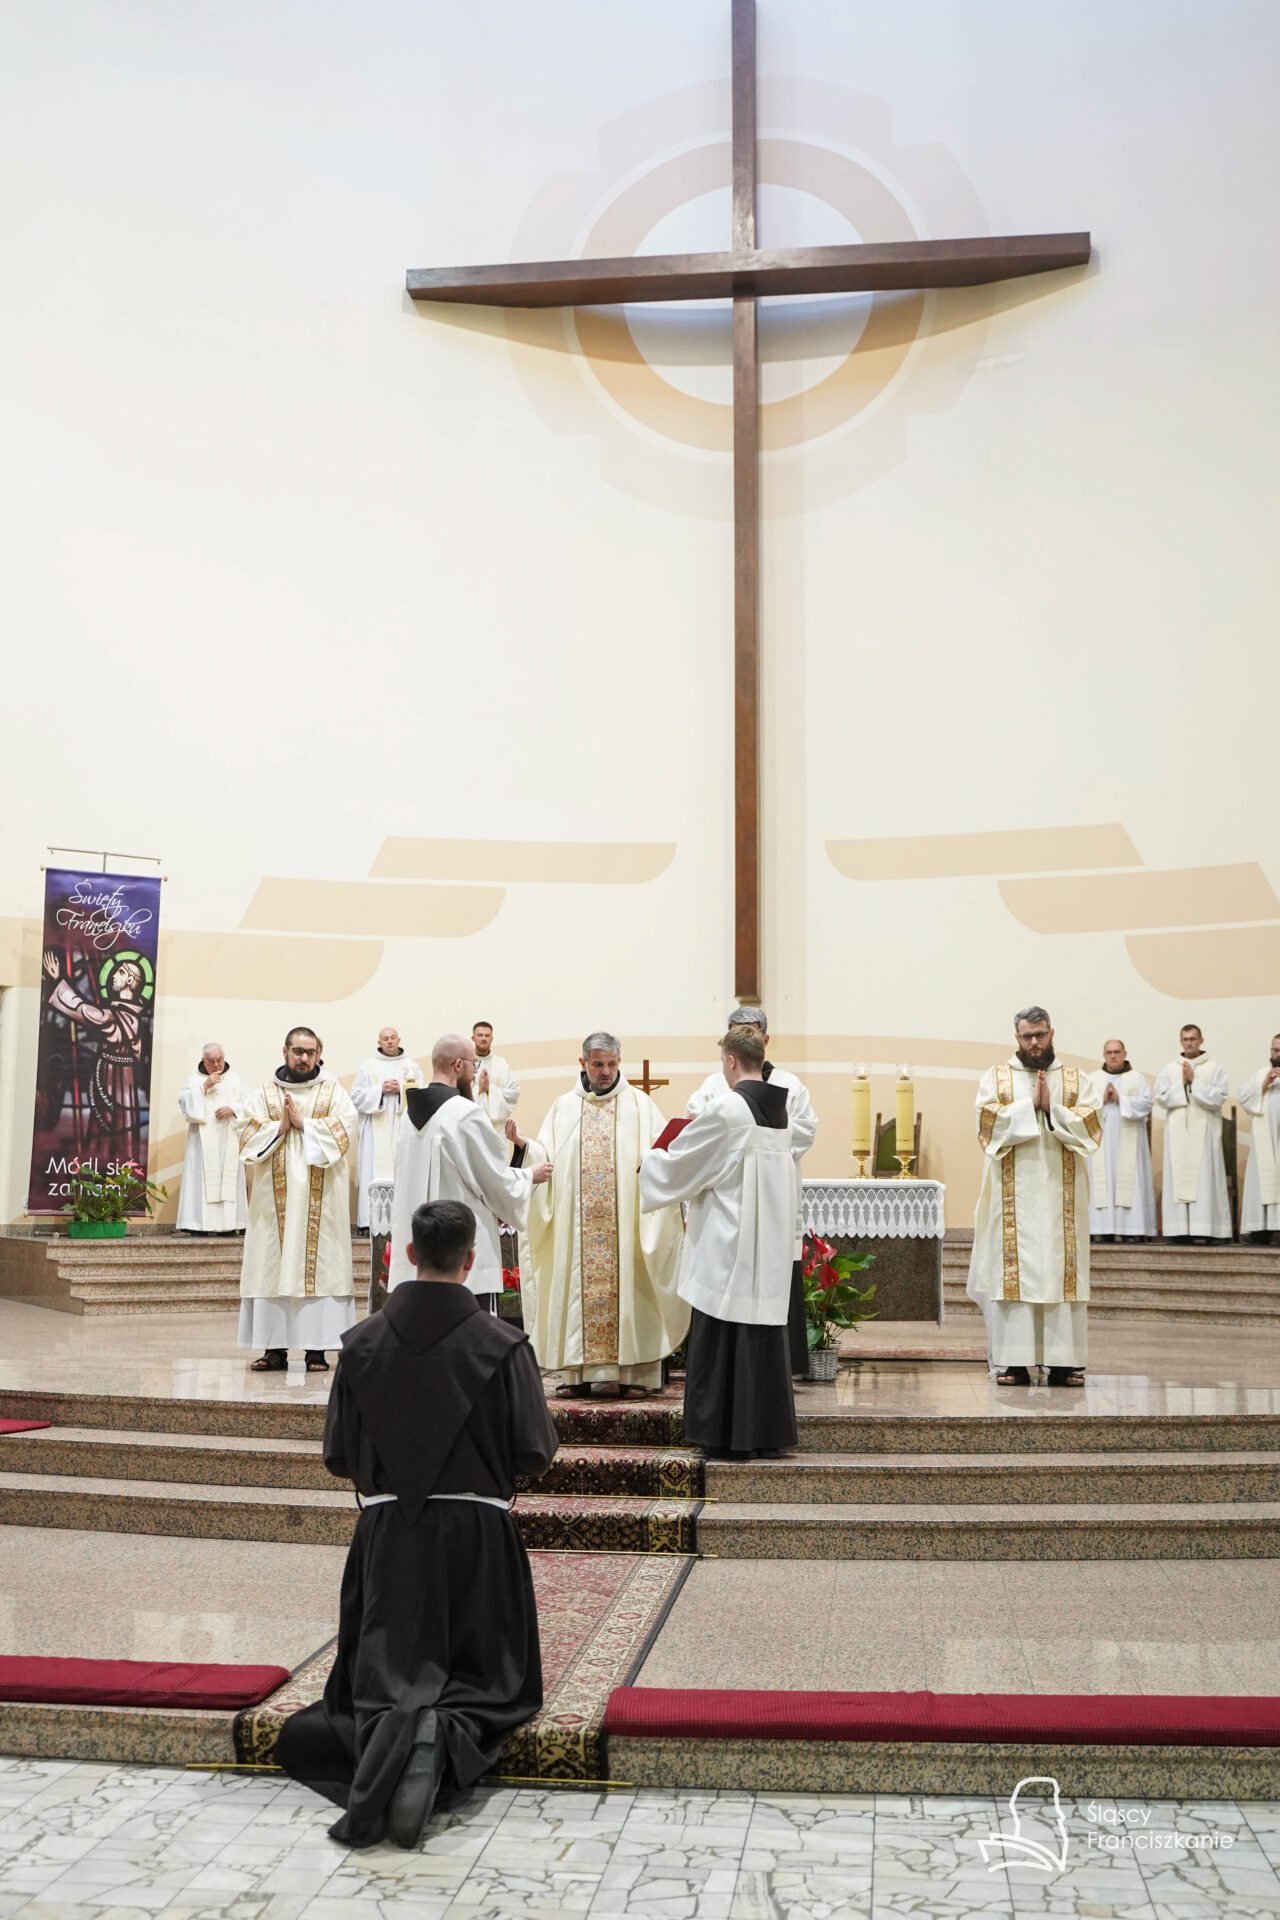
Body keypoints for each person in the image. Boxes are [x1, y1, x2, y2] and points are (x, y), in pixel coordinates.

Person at [275, 1198, 558, 1851]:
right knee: (491, 1686)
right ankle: (443, 1732)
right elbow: (534, 1453)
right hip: (476, 1544)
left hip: (390, 1542)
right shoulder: (503, 1345)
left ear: (406, 1255)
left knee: (380, 1682)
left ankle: (400, 1730)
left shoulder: (360, 1344)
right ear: (471, 1260)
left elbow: (338, 1457)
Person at [640, 1024, 797, 1458]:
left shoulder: (729, 1108)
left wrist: (650, 1159)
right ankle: (762, 1434)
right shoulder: (780, 1110)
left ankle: (723, 1435)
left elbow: (685, 1163)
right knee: (759, 1332)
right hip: (764, 1248)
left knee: (722, 1325)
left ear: (730, 1061)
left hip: (728, 1247)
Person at [508, 1030, 687, 1399]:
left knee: (633, 1288)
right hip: (576, 1230)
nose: (606, 1072)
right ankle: (577, 1375)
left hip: (627, 1230)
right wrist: (525, 1146)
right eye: (598, 1064)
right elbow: (547, 1157)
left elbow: (662, 1158)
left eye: (612, 1064)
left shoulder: (640, 1106)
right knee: (574, 1287)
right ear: (583, 1063)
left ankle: (634, 1373)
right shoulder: (563, 1108)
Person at [966, 1006, 1102, 1388]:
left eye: (1040, 1035)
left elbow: (1092, 1125)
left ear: (1052, 1033)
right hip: (1013, 1199)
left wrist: (1051, 1108)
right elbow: (985, 1125)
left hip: (1062, 1199)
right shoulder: (996, 1078)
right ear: (1017, 1038)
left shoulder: (1075, 1079)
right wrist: (1029, 1107)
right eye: (1027, 1036)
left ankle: (1064, 1364)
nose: (1035, 1043)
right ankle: (1014, 1362)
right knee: (1016, 1274)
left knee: (1062, 1272)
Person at [686, 1006, 817, 1376]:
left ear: (766, 1038)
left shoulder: (790, 1085)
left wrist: (753, 1142)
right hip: (728, 1203)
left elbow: (804, 1131)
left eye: (751, 1031)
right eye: (735, 1031)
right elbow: (693, 1123)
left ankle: (776, 1369)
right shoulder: (712, 1086)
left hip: (770, 1200)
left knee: (774, 1275)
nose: (743, 1037)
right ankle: (729, 1372)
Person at [387, 1033, 550, 1308]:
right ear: (458, 1065)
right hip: (460, 1261)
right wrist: (528, 1175)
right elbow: (493, 1179)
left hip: (418, 1261)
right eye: (474, 1064)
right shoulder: (465, 1114)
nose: (476, 1073)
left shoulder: (406, 1118)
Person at [237, 1027, 358, 1374]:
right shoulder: (263, 1095)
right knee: (270, 1267)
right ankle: (273, 1350)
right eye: (298, 1051)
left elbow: (346, 1131)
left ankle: (316, 1351)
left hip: (321, 1202)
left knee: (321, 1270)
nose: (304, 1058)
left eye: (310, 1052)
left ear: (319, 1053)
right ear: (285, 1051)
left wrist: (304, 1124)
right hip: (271, 1205)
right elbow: (244, 1136)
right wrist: (279, 1128)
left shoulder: (333, 1093)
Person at [1154, 1024, 1231, 1242]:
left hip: (1204, 1134)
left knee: (1204, 1179)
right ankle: (1179, 1231)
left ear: (1201, 1041)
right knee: (1178, 1177)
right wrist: (1182, 1085)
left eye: (1193, 1039)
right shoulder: (1170, 1069)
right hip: (1178, 1134)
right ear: (1180, 1042)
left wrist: (1194, 1081)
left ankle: (1206, 1229)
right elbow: (1161, 1098)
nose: (1189, 1043)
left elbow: (1218, 1098)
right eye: (1185, 1039)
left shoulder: (1214, 1068)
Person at [349, 1027, 423, 1233]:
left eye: (392, 1038)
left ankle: (404, 1221)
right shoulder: (368, 1066)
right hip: (375, 1132)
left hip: (403, 1130)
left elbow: (421, 1096)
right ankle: (369, 1222)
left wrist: (401, 1091)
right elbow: (356, 1096)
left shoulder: (412, 1067)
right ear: (379, 1043)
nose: (389, 1041)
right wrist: (379, 1091)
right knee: (373, 1170)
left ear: (399, 1039)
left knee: (403, 1171)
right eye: (385, 1039)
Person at [1087, 1039, 1155, 1241]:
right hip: (1101, 1141)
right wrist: (1102, 1099)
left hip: (1130, 1142)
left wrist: (1120, 1100)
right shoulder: (1093, 1079)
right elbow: (1082, 1108)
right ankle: (1101, 1229)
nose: (1113, 1056)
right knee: (1102, 1182)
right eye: (1109, 1052)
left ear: (1125, 1054)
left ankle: (1131, 1230)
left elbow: (1147, 1104)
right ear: (1104, 1055)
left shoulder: (1137, 1078)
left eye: (1117, 1052)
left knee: (1130, 1181)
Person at [176, 1043, 247, 1234]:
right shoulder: (194, 1080)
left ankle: (228, 1225)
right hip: (202, 1143)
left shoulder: (235, 1079)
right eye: (211, 1061)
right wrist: (204, 1087)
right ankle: (199, 1225)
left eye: (219, 1060)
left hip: (228, 1139)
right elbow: (185, 1105)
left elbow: (249, 1104)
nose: (216, 1065)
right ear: (203, 1061)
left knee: (228, 1181)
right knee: (202, 1182)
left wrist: (233, 1109)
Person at [1239, 1035, 1280, 1244]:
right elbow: (1244, 1099)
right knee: (1261, 1178)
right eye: (1275, 1050)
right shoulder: (1259, 1075)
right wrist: (1264, 1084)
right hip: (1264, 1141)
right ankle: (1260, 1229)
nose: (1277, 1055)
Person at [472, 1022, 520, 1135]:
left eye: (487, 1035)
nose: (484, 1038)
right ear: (473, 1038)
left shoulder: (501, 1064)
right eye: (480, 1035)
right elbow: (457, 1095)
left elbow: (514, 1093)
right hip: (472, 1126)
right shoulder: (466, 1063)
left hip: (497, 1129)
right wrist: (478, 1089)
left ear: (492, 1039)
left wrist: (490, 1089)